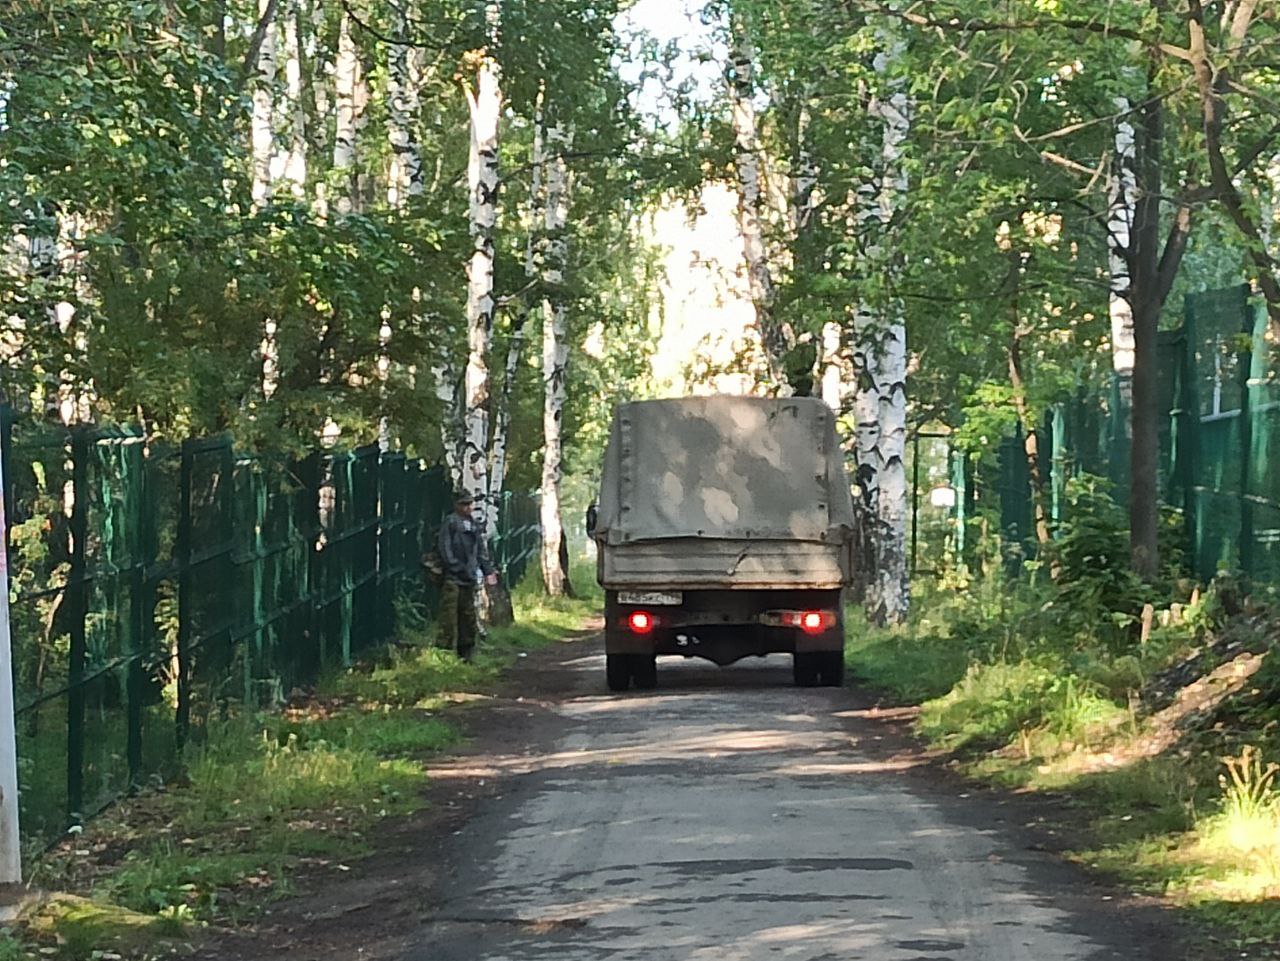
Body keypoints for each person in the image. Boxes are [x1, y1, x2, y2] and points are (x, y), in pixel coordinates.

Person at [437, 492, 498, 661]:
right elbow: (445, 548)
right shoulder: (450, 522)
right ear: (457, 505)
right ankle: (445, 651)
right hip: (454, 577)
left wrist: (488, 571)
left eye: (470, 504)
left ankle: (466, 652)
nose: (468, 507)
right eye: (464, 504)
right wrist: (456, 567)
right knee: (449, 616)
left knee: (468, 617)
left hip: (468, 577)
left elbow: (480, 551)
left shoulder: (473, 524)